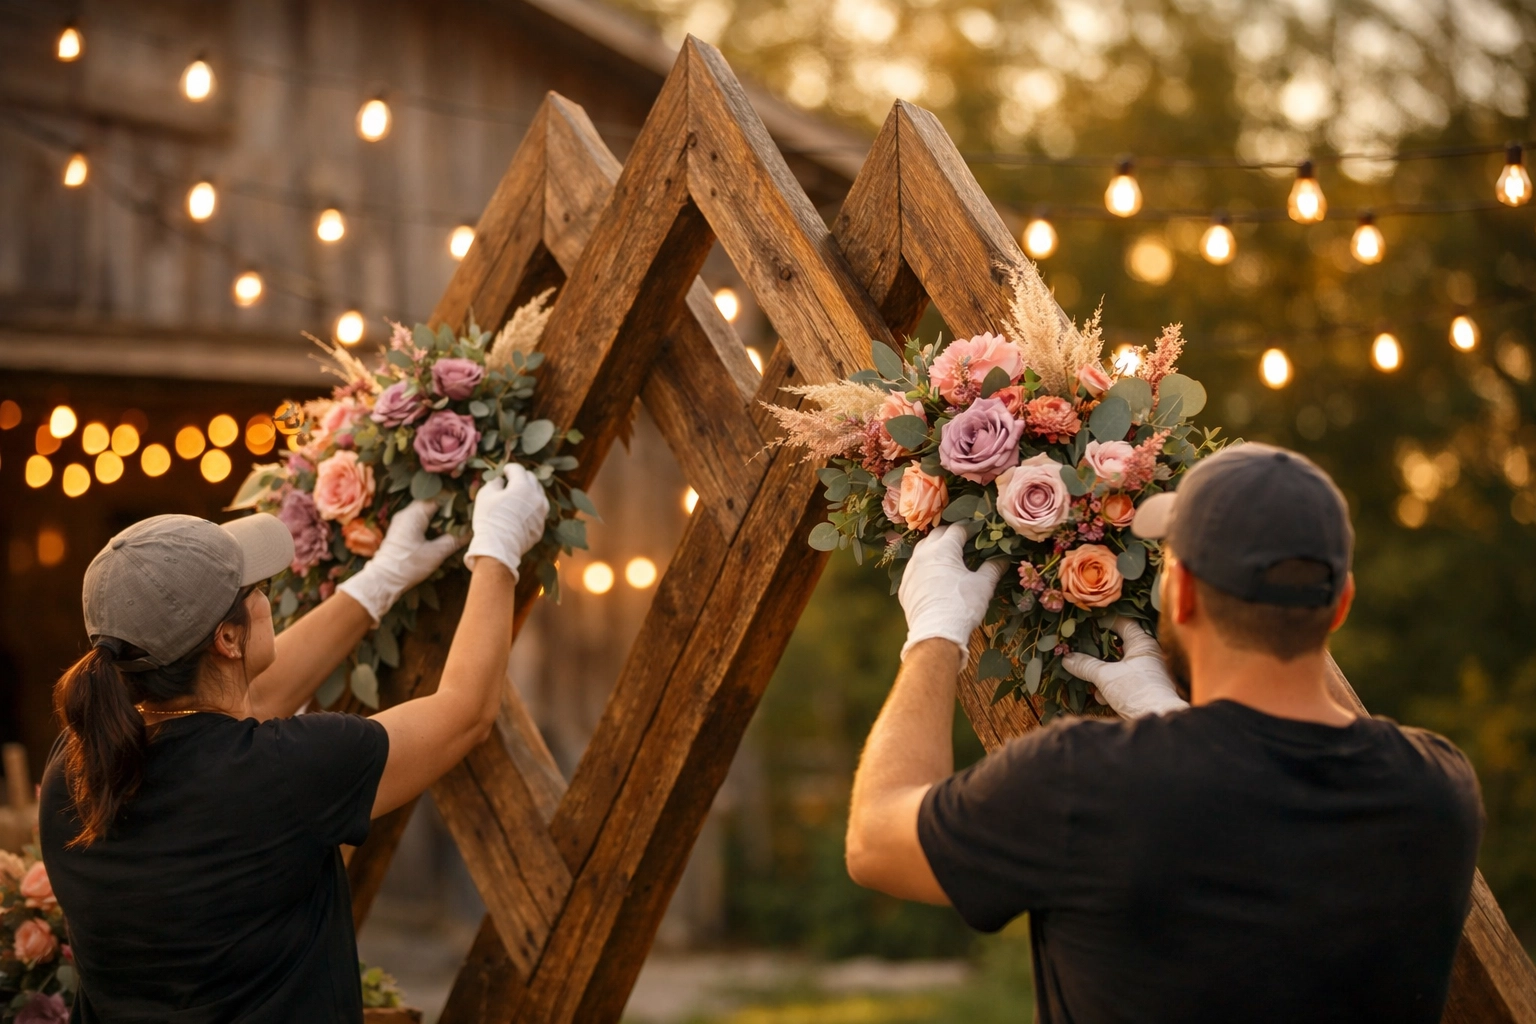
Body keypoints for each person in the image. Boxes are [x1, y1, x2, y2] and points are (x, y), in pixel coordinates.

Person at [845, 443, 1483, 1022]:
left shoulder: (1085, 782)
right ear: (1340, 604)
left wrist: (935, 633)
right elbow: (1273, 814)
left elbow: (875, 838)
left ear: (1180, 597)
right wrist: (1170, 719)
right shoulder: (1438, 792)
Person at [39, 464, 550, 1023]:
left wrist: (379, 580)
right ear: (228, 639)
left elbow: (246, 702)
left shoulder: (76, 765)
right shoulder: (286, 772)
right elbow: (464, 713)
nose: (267, 600)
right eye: (258, 591)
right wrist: (499, 552)